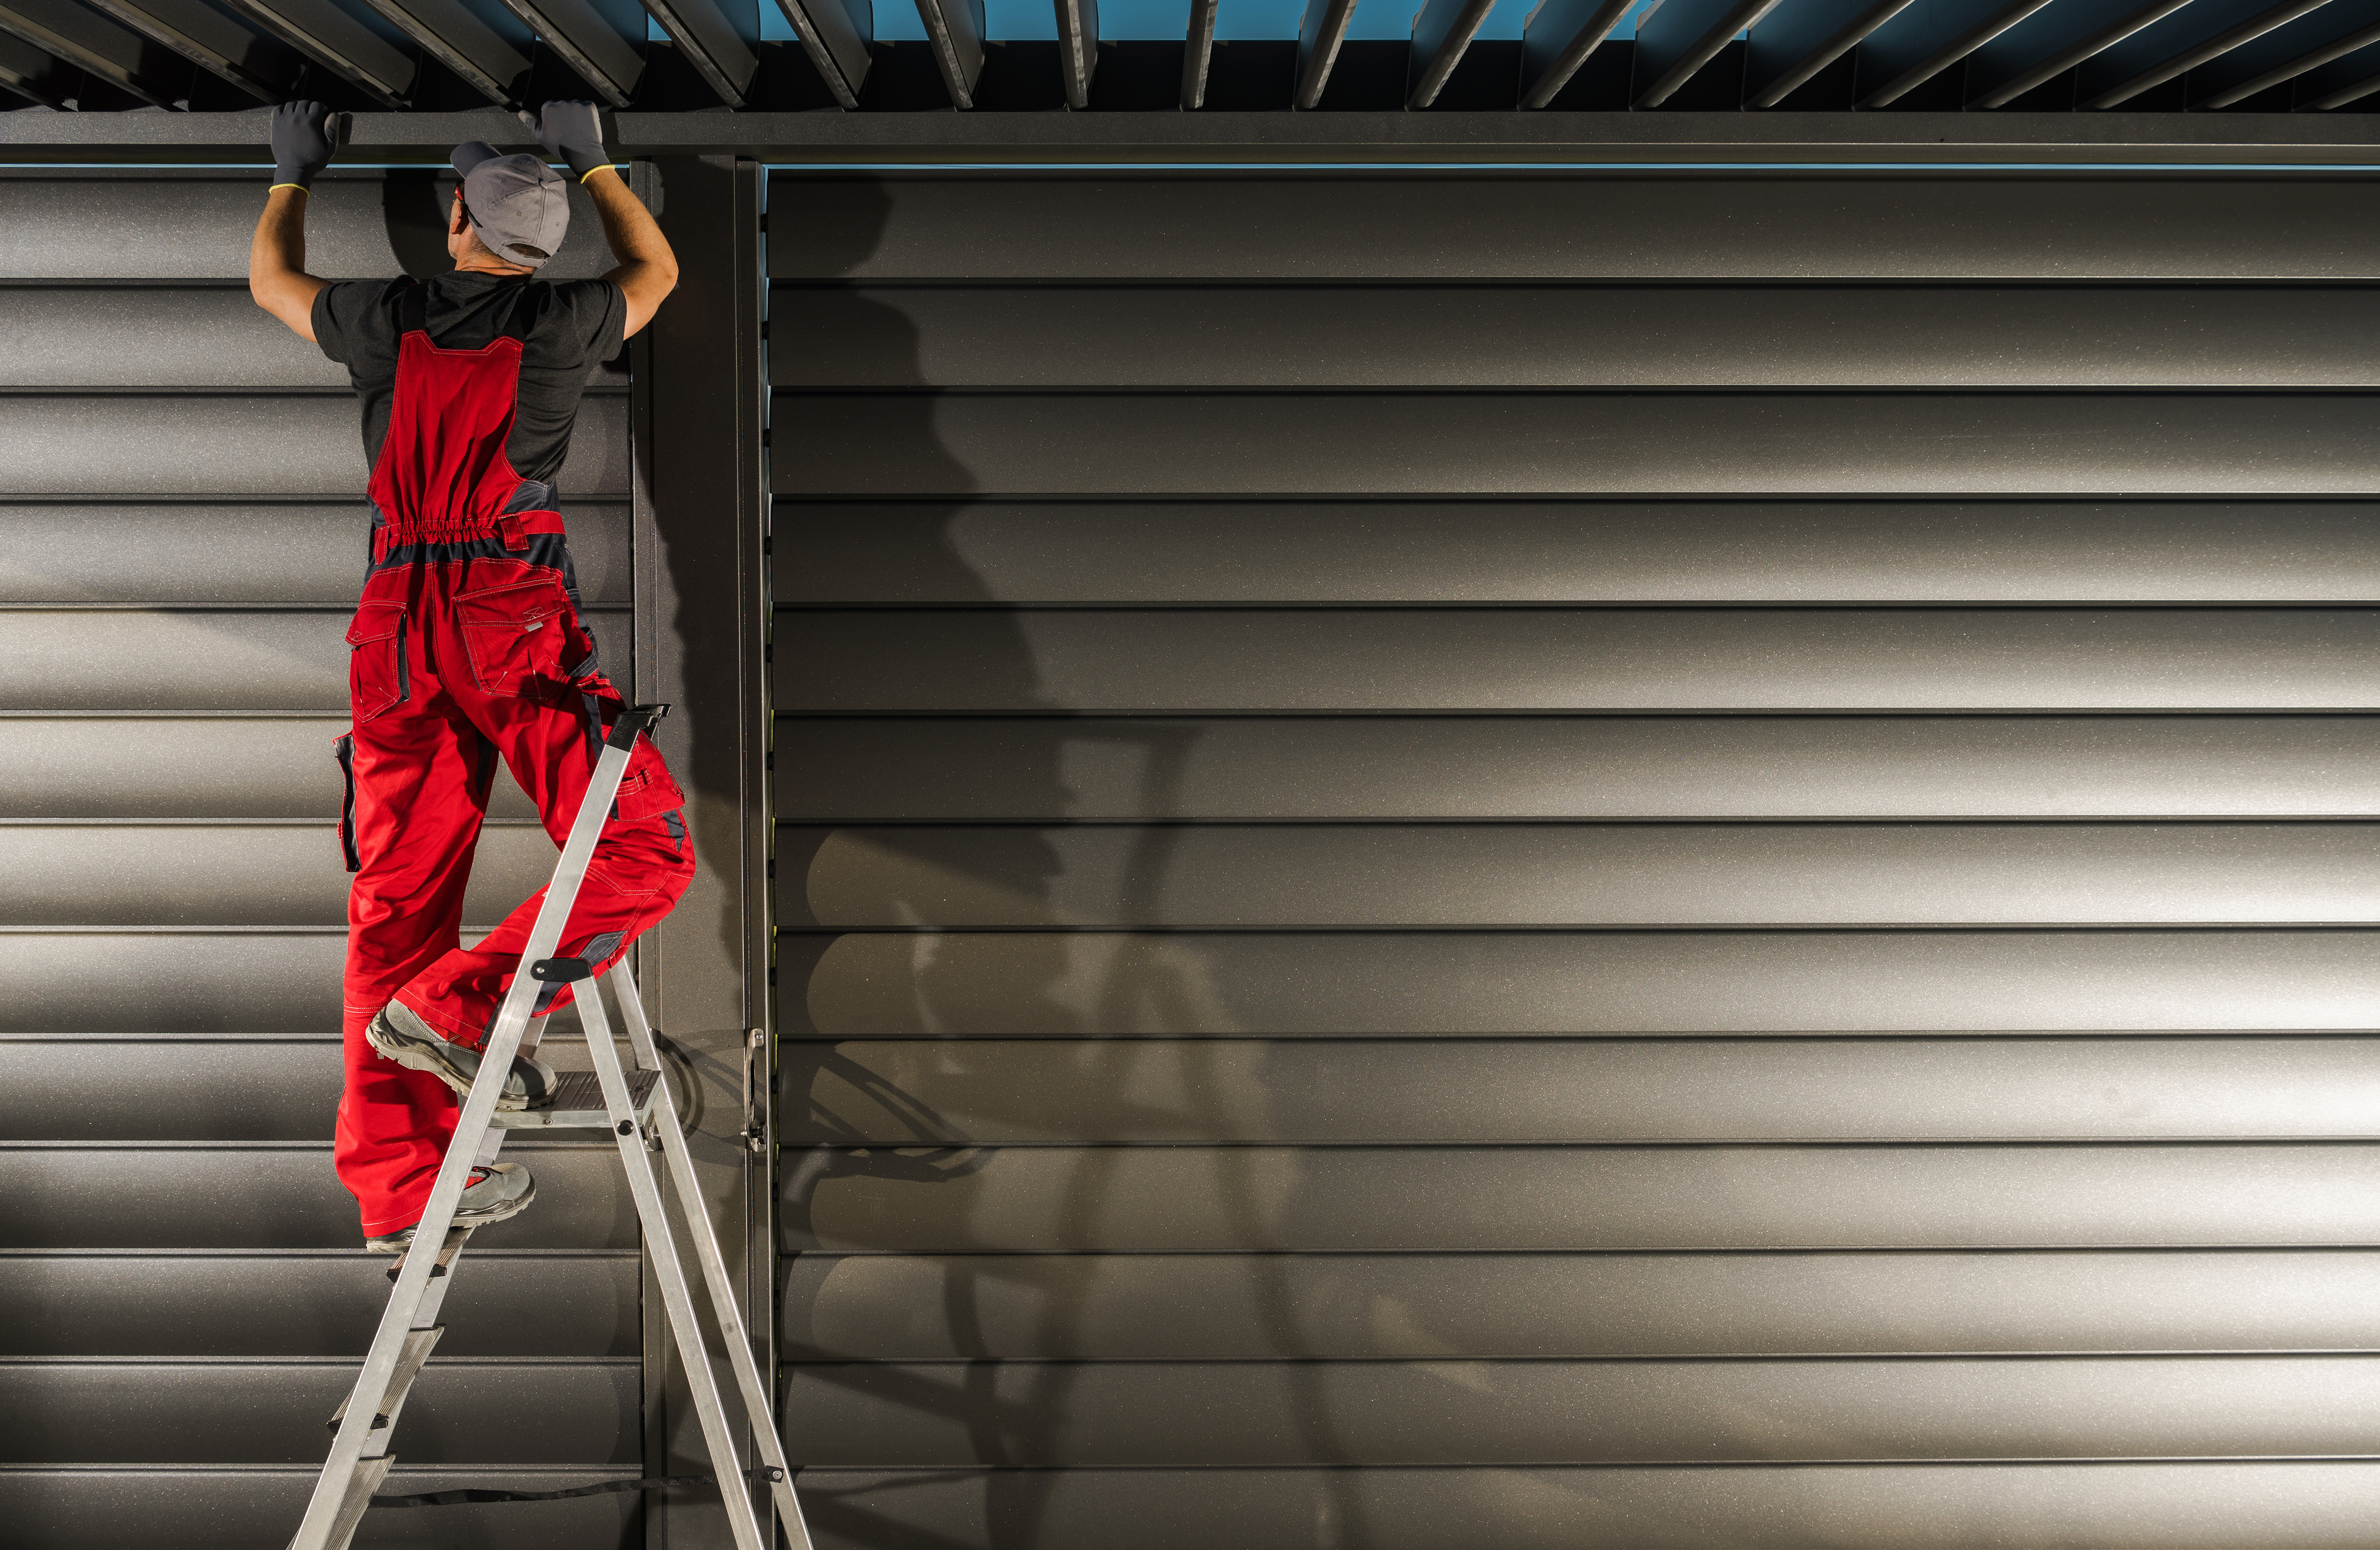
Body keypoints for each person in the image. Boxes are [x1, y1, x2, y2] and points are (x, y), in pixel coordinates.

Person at [249, 100, 694, 1253]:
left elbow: (270, 284)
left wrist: (293, 177)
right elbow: (659, 266)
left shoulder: (382, 317)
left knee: (393, 911)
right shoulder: (566, 322)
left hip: (395, 629)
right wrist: (600, 160)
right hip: (507, 620)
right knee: (644, 847)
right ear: (545, 246)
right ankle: (458, 1006)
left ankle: (400, 1191)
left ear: (456, 216)